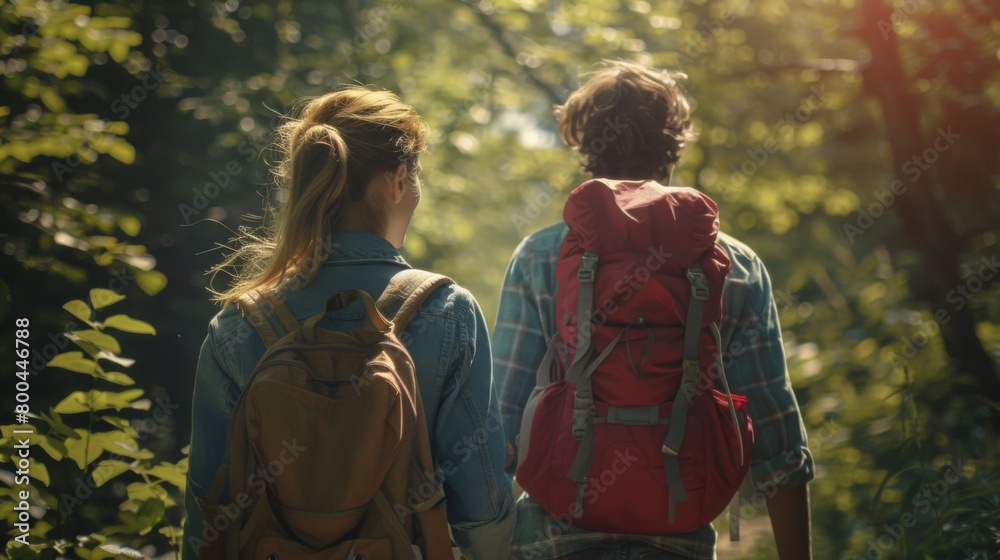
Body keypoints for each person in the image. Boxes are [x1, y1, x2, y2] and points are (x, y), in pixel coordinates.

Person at [493, 61, 814, 559]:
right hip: (676, 536)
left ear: (586, 148)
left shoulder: (540, 256)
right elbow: (779, 444)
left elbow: (503, 424)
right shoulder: (734, 264)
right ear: (674, 148)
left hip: (553, 536)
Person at [182, 86, 514, 560]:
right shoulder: (448, 310)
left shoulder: (240, 322)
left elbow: (207, 503)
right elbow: (480, 507)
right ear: (400, 179)